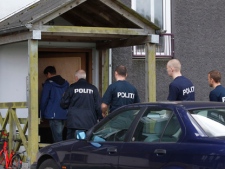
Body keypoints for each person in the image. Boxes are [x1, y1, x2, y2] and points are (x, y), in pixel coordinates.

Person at [60, 69, 102, 140]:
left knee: (71, 145)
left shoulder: (72, 88)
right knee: (88, 145)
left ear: (76, 78)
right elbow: (98, 106)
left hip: (74, 123)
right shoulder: (93, 88)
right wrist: (100, 118)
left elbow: (63, 104)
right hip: (89, 122)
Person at [40, 66, 69, 143]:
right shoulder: (66, 83)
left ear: (49, 74)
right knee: (60, 134)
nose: (46, 77)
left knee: (57, 137)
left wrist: (41, 114)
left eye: (46, 75)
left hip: (53, 113)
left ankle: (59, 153)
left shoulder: (48, 84)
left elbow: (44, 100)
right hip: (64, 113)